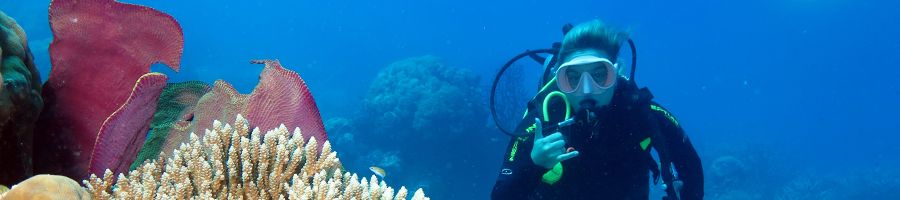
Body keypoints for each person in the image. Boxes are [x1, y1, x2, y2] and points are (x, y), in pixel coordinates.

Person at [491, 20, 704, 199]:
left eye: (599, 74)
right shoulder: (544, 121)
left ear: (616, 73)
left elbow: (691, 166)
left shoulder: (642, 113)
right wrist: (535, 164)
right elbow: (501, 195)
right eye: (573, 77)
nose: (586, 89)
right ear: (559, 78)